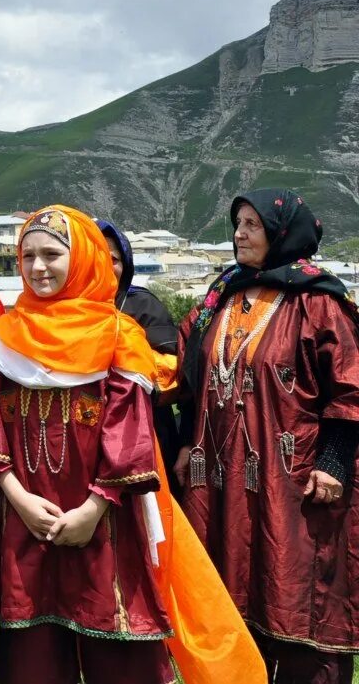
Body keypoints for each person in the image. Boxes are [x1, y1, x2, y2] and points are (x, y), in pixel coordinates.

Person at [0, 205, 173, 684]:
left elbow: (130, 429)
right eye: (27, 256)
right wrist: (17, 499)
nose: (38, 267)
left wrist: (93, 509)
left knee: (115, 646)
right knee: (33, 654)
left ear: (81, 258)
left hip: (103, 522)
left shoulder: (118, 334)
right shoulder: (4, 336)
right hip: (22, 519)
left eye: (52, 255)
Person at [174, 190, 359, 683]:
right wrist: (186, 441)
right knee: (229, 584)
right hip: (217, 477)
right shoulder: (221, 296)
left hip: (294, 479)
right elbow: (187, 372)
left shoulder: (319, 303)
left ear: (281, 232)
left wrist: (336, 463)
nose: (239, 233)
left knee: (295, 587)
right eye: (237, 223)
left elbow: (349, 385)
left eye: (253, 224)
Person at [97, 218, 183, 488]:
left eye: (114, 259)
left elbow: (173, 369)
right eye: (97, 255)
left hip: (146, 430)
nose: (107, 266)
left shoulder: (141, 304)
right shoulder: (58, 308)